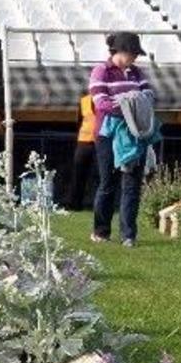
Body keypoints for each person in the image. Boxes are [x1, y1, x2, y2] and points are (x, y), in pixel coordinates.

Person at [89, 32, 155, 247]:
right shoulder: (101, 71)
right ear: (120, 51)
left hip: (135, 134)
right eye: (132, 53)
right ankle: (101, 231)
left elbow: (149, 96)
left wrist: (128, 102)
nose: (135, 58)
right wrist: (129, 105)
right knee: (108, 183)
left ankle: (128, 235)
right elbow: (101, 103)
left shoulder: (137, 73)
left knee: (132, 184)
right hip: (108, 134)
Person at [66, 91, 97, 210]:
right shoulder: (84, 101)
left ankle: (97, 204)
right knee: (78, 173)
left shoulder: (105, 101)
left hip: (100, 141)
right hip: (84, 141)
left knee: (100, 175)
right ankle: (75, 204)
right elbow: (79, 121)